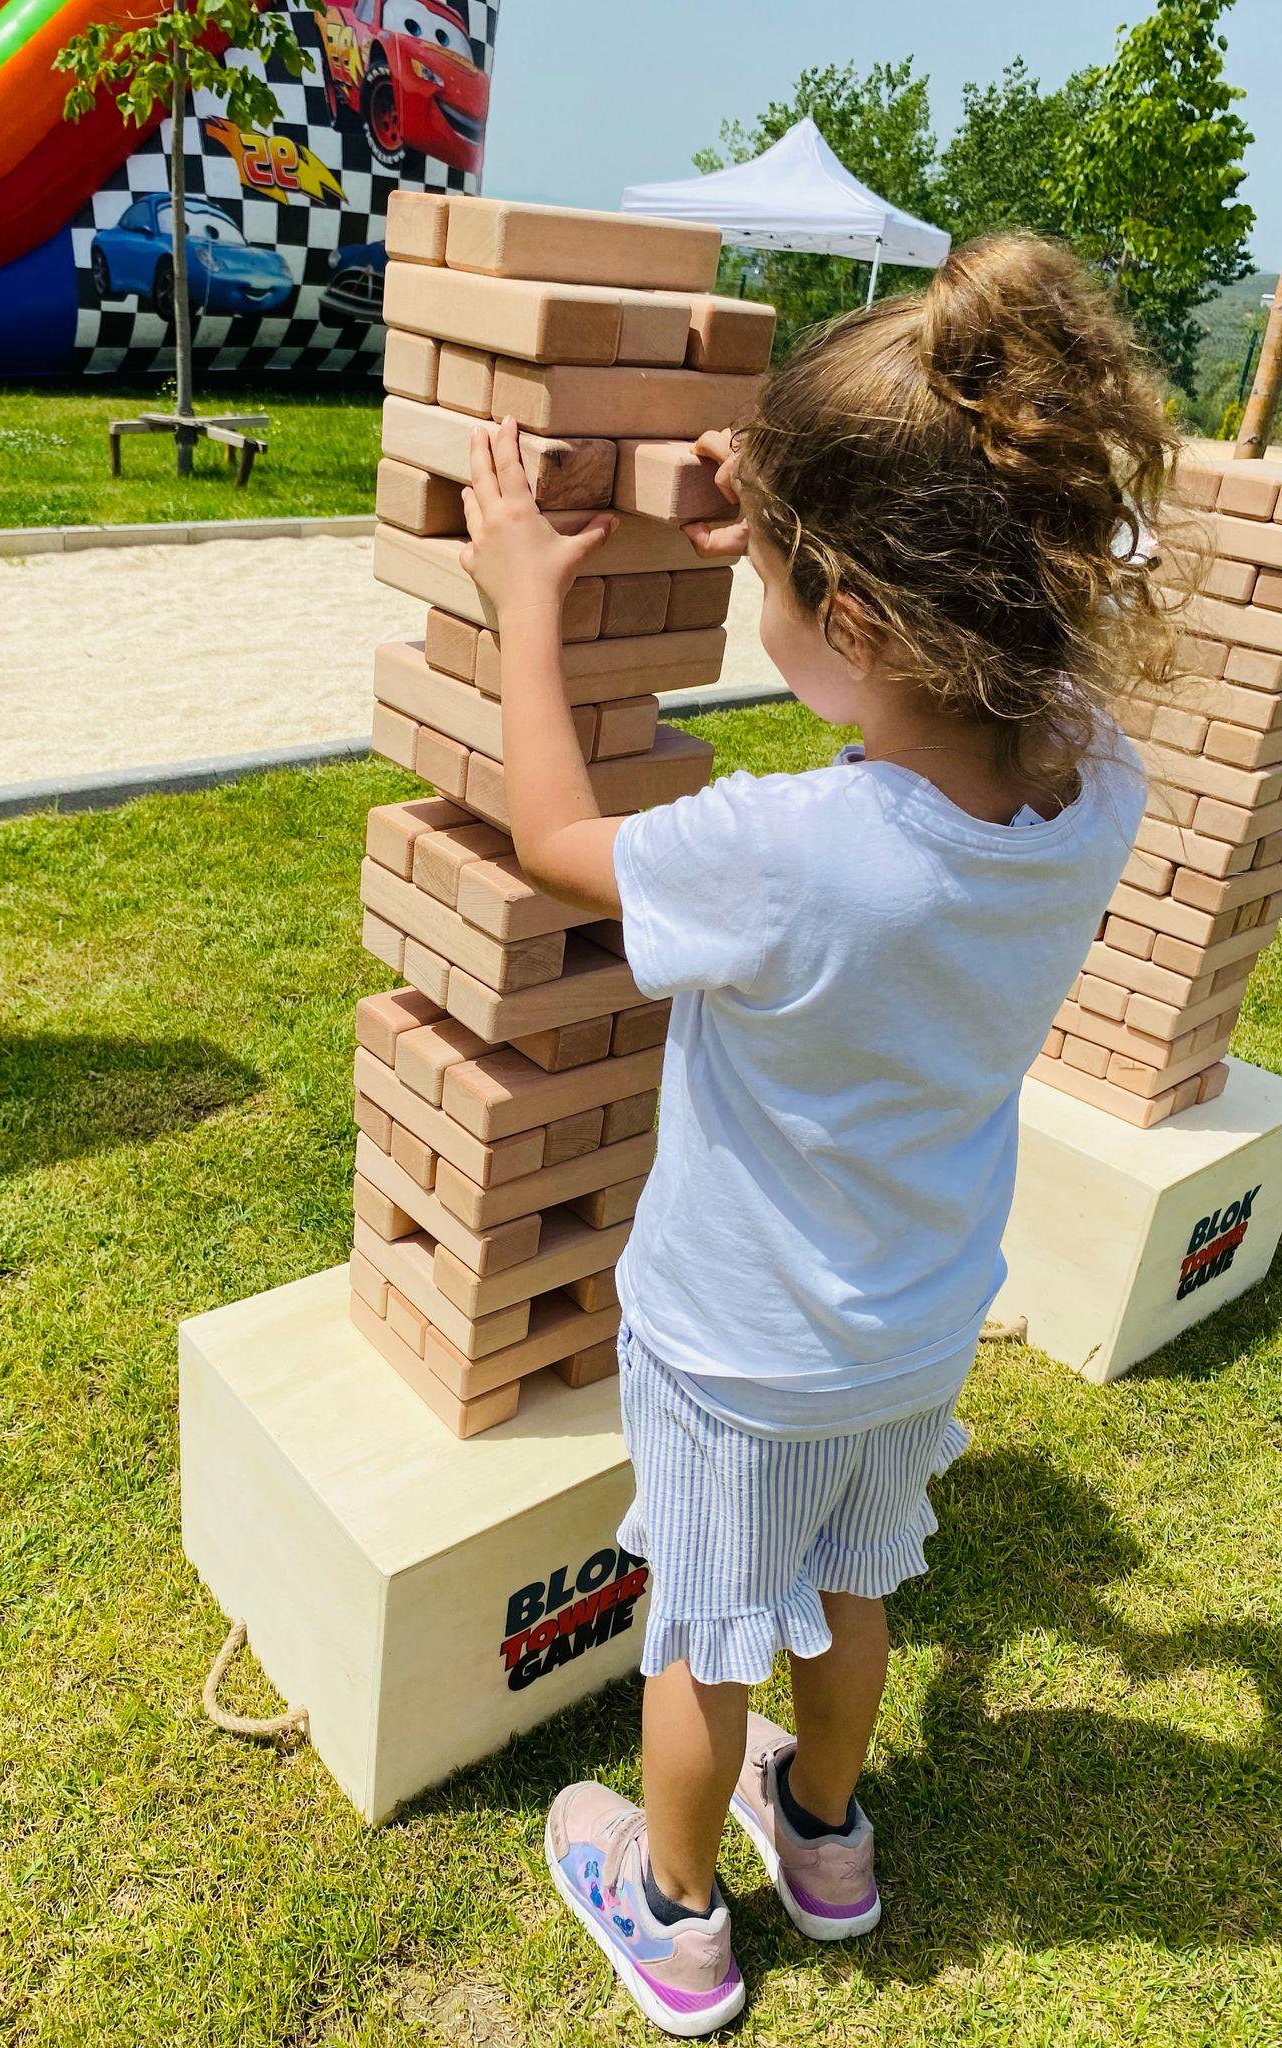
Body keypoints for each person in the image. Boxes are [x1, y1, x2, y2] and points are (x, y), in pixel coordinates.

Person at [457, 233, 1175, 2035]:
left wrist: (522, 598)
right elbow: (980, 653)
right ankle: (831, 1841)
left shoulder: (787, 856)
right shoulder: (1094, 781)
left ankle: (678, 1913)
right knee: (852, 1592)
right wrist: (798, 509)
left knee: (705, 1641)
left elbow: (554, 840)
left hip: (735, 1347)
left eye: (771, 577)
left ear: (852, 623)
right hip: (914, 1327)